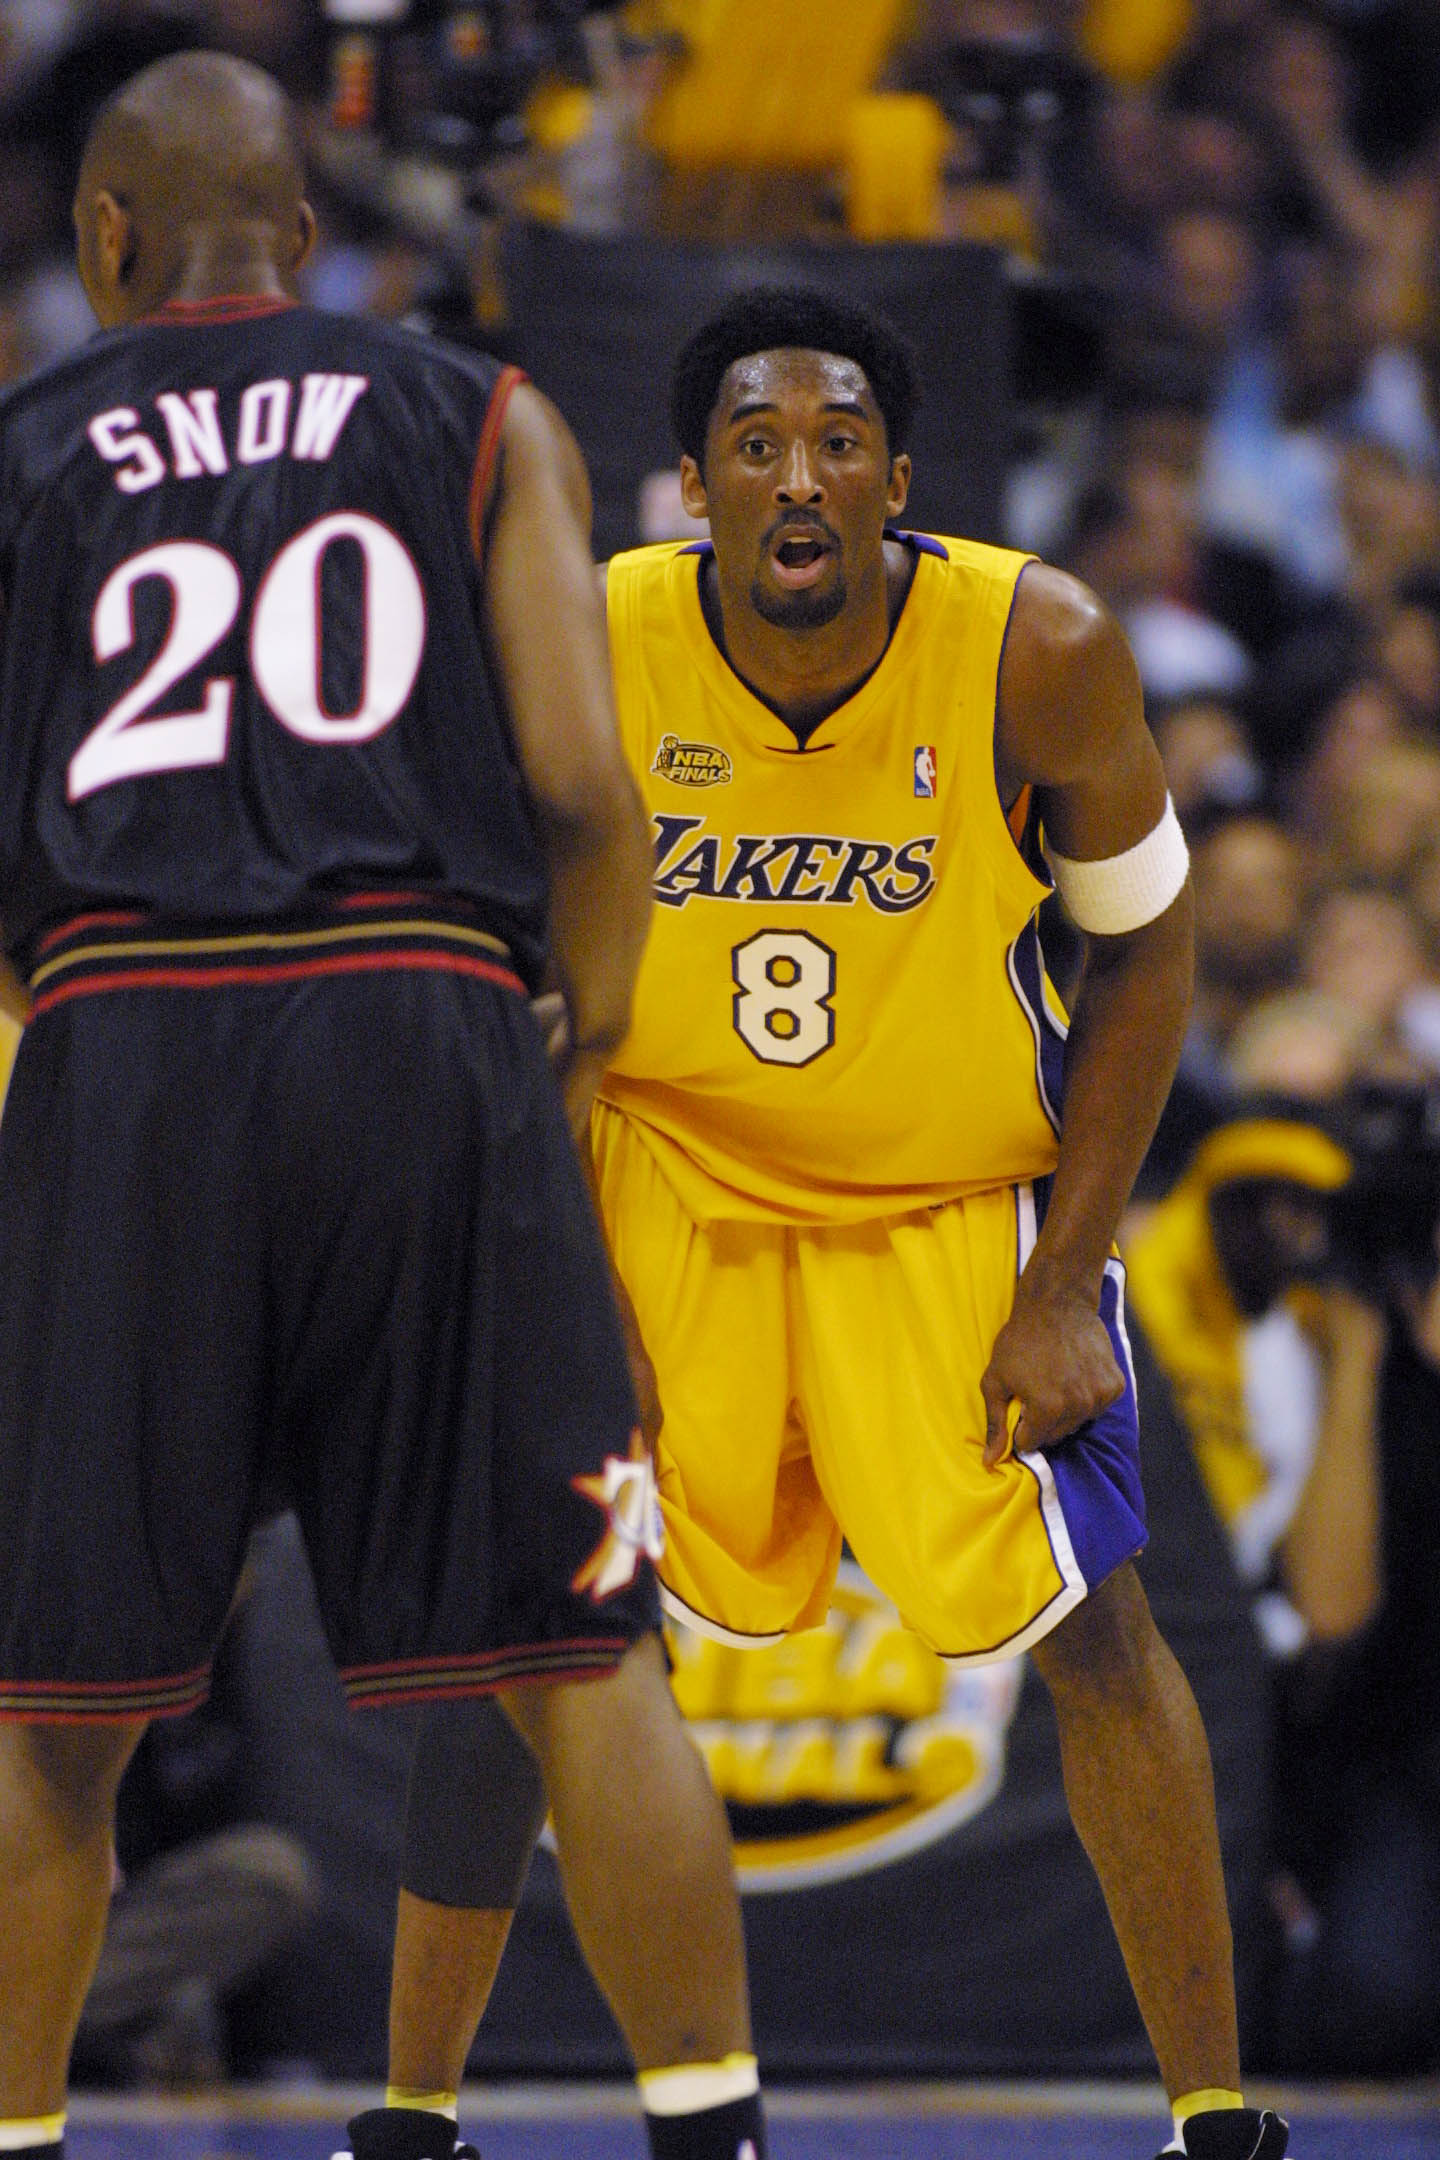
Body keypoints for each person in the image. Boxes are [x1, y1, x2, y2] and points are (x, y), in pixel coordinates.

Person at [382, 286, 1293, 2160]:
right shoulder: (587, 633)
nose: (800, 477)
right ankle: (407, 2115)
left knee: (1094, 1626)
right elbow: (491, 962)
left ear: (898, 476)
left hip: (940, 1192)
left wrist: (1060, 1284)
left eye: (839, 442)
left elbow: (1150, 957)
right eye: (757, 446)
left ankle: (1215, 2115)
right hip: (660, 1171)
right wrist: (553, 1262)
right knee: (527, 1630)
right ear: (696, 486)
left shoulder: (1037, 644)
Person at [0, 52, 765, 2160]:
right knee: (579, 1652)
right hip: (421, 1020)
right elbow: (589, 791)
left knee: (54, 1715)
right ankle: (713, 2138)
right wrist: (583, 1021)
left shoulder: (27, 445)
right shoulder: (480, 410)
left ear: (104, 246)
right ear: (310, 242)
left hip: (128, 1024)